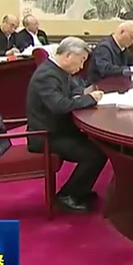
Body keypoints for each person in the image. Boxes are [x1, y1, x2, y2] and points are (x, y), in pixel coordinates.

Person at [26, 37, 106, 212]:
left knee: (101, 146)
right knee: (94, 154)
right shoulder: (47, 75)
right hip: (46, 135)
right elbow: (59, 106)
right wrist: (89, 99)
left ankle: (80, 191)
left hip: (60, 128)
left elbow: (76, 87)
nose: (82, 66)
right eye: (81, 60)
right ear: (68, 55)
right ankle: (67, 195)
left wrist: (78, 96)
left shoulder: (59, 71)